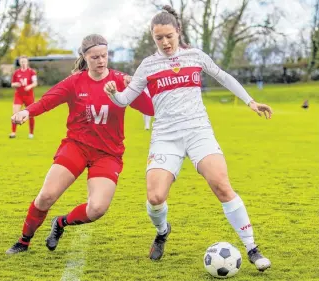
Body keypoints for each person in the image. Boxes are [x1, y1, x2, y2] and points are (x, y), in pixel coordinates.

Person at [104, 6, 273, 272]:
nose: (165, 42)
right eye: (159, 38)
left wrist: (250, 101)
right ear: (153, 38)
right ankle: (162, 231)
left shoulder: (195, 55)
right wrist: (114, 93)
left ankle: (252, 248)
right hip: (165, 137)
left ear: (178, 32)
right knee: (155, 196)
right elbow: (125, 100)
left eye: (169, 36)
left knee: (221, 185)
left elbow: (224, 76)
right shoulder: (148, 65)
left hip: (198, 131)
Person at [6, 34, 154, 254]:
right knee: (46, 196)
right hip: (76, 147)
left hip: (108, 154)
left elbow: (150, 110)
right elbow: (48, 100)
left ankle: (60, 223)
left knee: (97, 209)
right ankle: (24, 241)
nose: (101, 61)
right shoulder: (75, 82)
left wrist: (136, 89)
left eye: (104, 56)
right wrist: (27, 112)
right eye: (95, 57)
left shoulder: (120, 81)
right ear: (85, 57)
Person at [10, 55, 38, 139]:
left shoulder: (31, 72)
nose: (23, 63)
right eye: (21, 62)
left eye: (24, 61)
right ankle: (13, 132)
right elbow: (12, 84)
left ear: (27, 62)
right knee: (15, 113)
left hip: (29, 96)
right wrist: (15, 84)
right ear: (19, 63)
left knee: (31, 114)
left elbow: (35, 82)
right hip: (19, 95)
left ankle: (31, 133)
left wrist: (30, 86)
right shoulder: (16, 73)